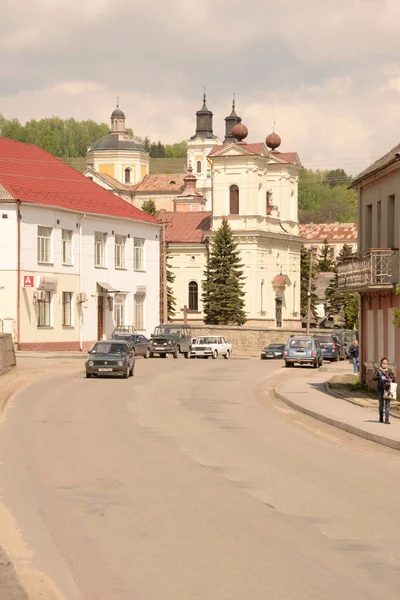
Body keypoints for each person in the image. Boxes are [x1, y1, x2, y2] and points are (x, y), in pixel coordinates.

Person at [373, 357, 396, 424]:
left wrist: (389, 379)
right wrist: (380, 377)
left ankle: (387, 419)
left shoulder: (389, 370)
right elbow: (374, 378)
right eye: (384, 363)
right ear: (381, 363)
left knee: (387, 404)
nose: (385, 364)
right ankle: (381, 417)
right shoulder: (377, 370)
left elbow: (394, 379)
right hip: (380, 388)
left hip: (387, 389)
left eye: (386, 363)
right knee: (381, 404)